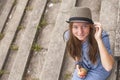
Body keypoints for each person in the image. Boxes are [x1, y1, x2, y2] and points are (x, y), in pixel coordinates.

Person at [63, 7, 114, 80]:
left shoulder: (102, 36)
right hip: (83, 66)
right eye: (75, 27)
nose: (80, 32)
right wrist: (78, 63)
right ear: (71, 28)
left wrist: (98, 39)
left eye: (84, 26)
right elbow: (76, 52)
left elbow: (108, 66)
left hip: (99, 69)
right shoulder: (68, 36)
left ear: (90, 26)